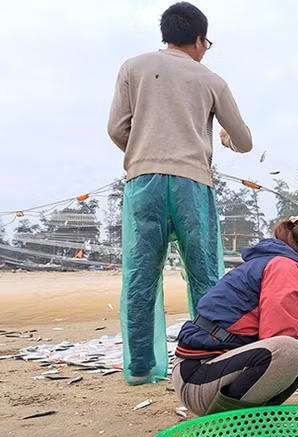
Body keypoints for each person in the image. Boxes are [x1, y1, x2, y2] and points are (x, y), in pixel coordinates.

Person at [107, 2, 253, 385]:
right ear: (200, 40)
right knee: (207, 277)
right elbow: (245, 140)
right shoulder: (210, 79)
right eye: (207, 42)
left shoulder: (132, 68)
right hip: (192, 183)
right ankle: (212, 359)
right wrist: (225, 141)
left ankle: (141, 367)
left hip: (144, 183)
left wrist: (145, 152)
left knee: (141, 277)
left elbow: (116, 128)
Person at [172, 211, 298, 416]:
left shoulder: (290, 264)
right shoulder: (285, 268)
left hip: (226, 364)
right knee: (289, 352)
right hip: (198, 377)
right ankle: (231, 423)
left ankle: (257, 412)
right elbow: (279, 343)